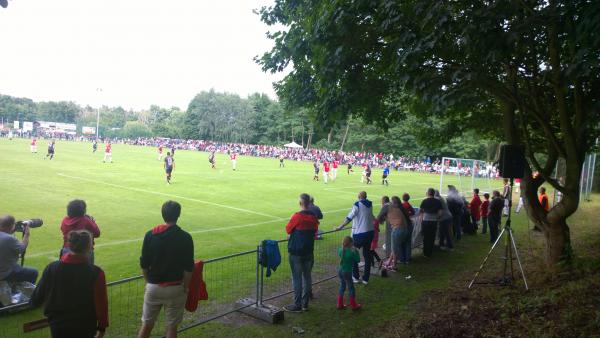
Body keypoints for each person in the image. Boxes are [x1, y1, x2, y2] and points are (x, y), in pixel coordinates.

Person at [30, 231, 108, 338]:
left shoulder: (52, 268)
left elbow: (36, 298)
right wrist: (102, 328)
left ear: (69, 244)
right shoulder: (96, 273)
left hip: (58, 326)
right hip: (86, 326)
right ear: (90, 246)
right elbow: (101, 304)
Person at [138, 201, 194, 338]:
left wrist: (147, 282)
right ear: (178, 215)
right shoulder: (186, 237)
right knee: (172, 328)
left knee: (146, 325)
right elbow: (188, 267)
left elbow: (144, 264)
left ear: (162, 215)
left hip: (153, 287)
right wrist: (186, 287)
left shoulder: (150, 235)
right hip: (175, 288)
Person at [284, 193, 319, 312]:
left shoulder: (297, 216)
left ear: (300, 203)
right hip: (309, 251)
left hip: (296, 252)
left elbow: (288, 229)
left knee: (297, 278)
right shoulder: (314, 217)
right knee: (307, 277)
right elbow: (314, 230)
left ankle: (297, 305)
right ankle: (305, 304)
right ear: (309, 203)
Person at [336, 191, 375, 285]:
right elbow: (371, 216)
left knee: (353, 254)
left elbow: (349, 217)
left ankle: (356, 277)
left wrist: (340, 227)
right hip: (370, 233)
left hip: (360, 234)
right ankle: (366, 279)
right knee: (367, 256)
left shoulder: (357, 204)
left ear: (359, 197)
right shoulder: (370, 204)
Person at [60, 200, 101, 264]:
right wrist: (92, 221)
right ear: (83, 210)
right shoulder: (86, 220)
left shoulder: (65, 220)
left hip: (66, 249)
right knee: (86, 272)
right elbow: (97, 233)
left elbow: (62, 229)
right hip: (84, 252)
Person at [0, 215, 38, 284]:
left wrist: (10, 231)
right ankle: (27, 292)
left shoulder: (6, 236)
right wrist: (26, 234)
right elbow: (22, 248)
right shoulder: (9, 238)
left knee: (17, 266)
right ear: (11, 226)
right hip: (4, 274)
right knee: (33, 272)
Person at [378, 196, 410, 269]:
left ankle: (394, 266)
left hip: (398, 229)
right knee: (394, 247)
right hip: (404, 229)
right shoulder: (393, 206)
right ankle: (389, 262)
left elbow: (379, 218)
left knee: (394, 249)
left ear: (382, 202)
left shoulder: (386, 206)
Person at [337, 236, 362, 310]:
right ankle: (354, 305)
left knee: (342, 286)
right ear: (351, 243)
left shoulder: (340, 250)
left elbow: (341, 255)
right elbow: (358, 260)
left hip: (340, 271)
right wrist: (356, 252)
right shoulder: (352, 252)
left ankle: (339, 304)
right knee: (351, 288)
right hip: (347, 272)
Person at [419, 188, 443, 258]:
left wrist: (421, 220)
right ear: (434, 193)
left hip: (425, 221)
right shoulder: (438, 201)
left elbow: (420, 211)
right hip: (434, 221)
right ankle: (430, 252)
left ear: (428, 193)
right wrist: (437, 218)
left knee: (425, 237)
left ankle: (425, 253)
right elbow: (440, 213)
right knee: (432, 237)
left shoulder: (424, 201)